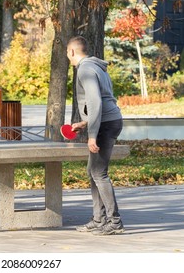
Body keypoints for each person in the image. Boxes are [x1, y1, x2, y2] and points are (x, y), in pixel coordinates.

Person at [66, 36, 124, 235]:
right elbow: (104, 100)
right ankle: (99, 219)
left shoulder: (84, 69)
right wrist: (84, 123)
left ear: (72, 51)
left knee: (99, 173)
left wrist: (92, 135)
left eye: (67, 54)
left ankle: (114, 221)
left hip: (105, 125)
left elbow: (95, 103)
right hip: (108, 121)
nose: (68, 58)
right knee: (93, 171)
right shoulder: (96, 67)